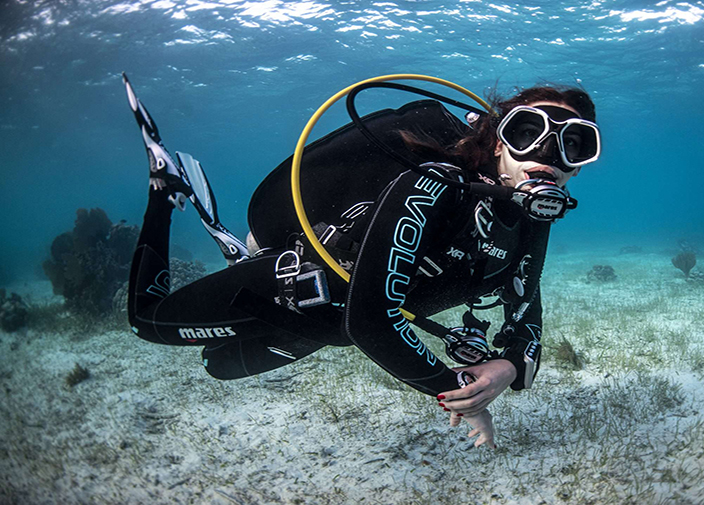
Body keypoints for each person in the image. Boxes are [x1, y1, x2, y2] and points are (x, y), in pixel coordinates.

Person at [123, 74, 601, 448]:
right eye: (527, 131)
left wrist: (508, 368)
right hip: (297, 288)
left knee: (220, 367)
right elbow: (373, 321)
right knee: (149, 321)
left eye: (573, 143)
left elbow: (525, 314)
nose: (548, 154)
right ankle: (164, 191)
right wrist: (458, 392)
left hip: (330, 329)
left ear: (580, 163)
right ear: (499, 141)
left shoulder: (530, 222)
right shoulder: (433, 184)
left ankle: (236, 256)